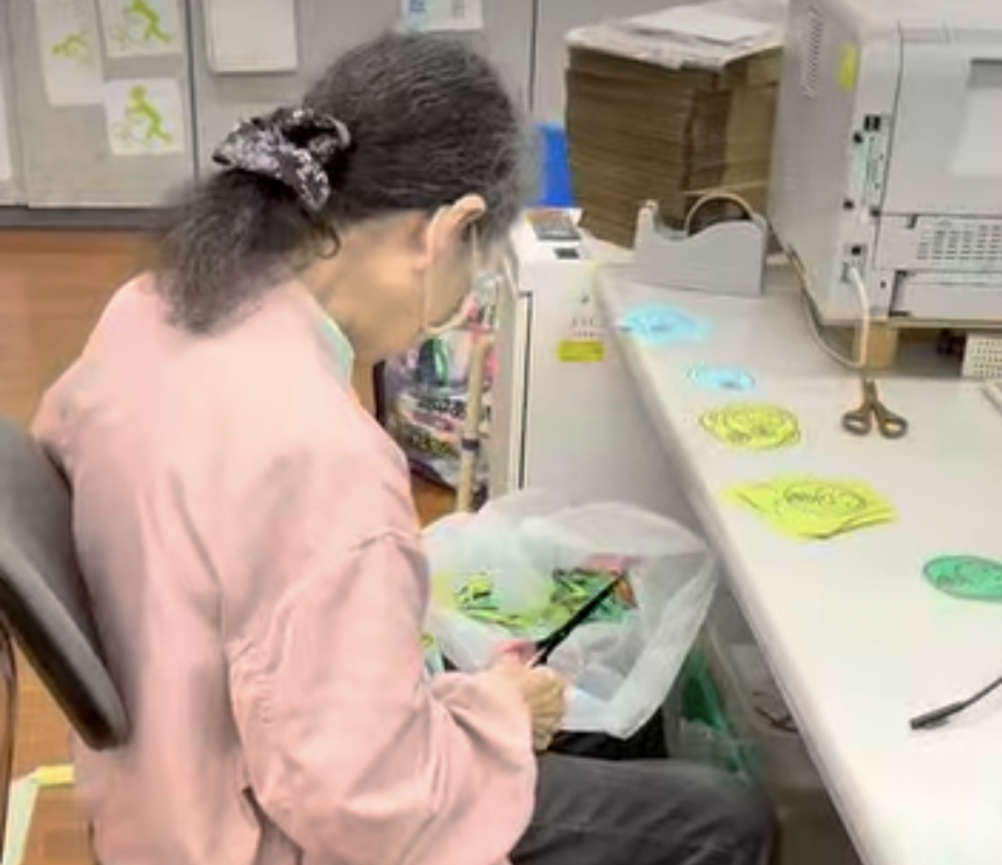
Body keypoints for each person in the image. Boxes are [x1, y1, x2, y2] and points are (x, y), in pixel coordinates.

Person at [32, 32, 775, 865]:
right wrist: (497, 715)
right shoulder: (322, 455)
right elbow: (366, 807)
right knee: (724, 819)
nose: (455, 307)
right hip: (248, 831)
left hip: (162, 779)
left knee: (569, 734)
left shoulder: (145, 309)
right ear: (447, 231)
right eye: (475, 272)